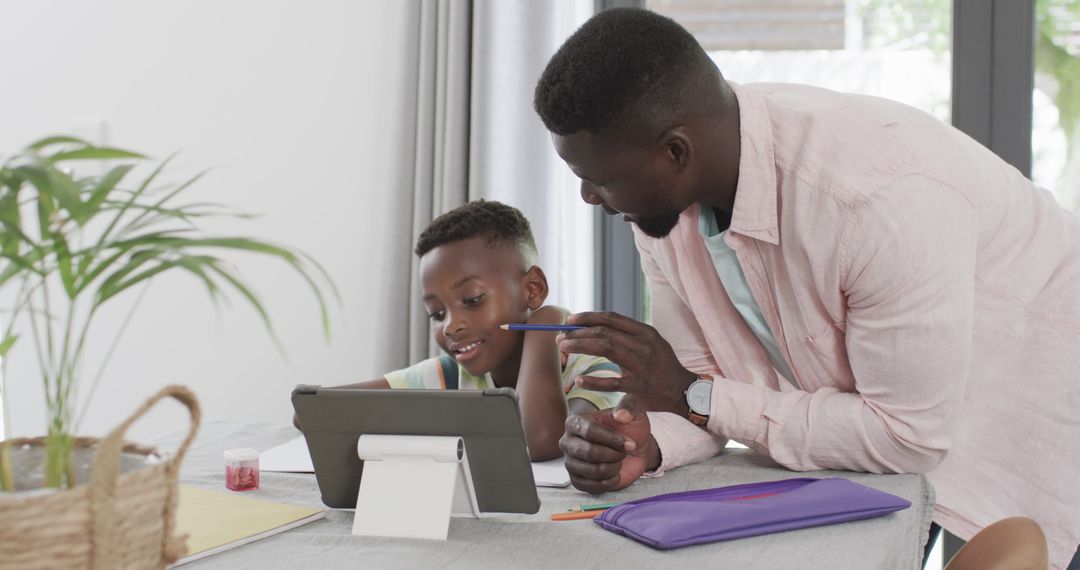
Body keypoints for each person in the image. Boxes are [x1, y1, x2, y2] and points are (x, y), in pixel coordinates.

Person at [533, 8, 1079, 568]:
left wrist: (693, 396)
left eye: (599, 179)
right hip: (899, 440)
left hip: (1042, 414)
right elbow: (700, 389)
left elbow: (905, 436)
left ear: (674, 152)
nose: (590, 199)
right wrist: (645, 446)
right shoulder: (664, 205)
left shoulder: (877, 204)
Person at [294, 200, 621, 461]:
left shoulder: (594, 371)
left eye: (472, 299)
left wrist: (545, 326)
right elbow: (313, 412)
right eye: (436, 313)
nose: (450, 326)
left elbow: (543, 440)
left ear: (533, 289)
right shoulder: (447, 376)